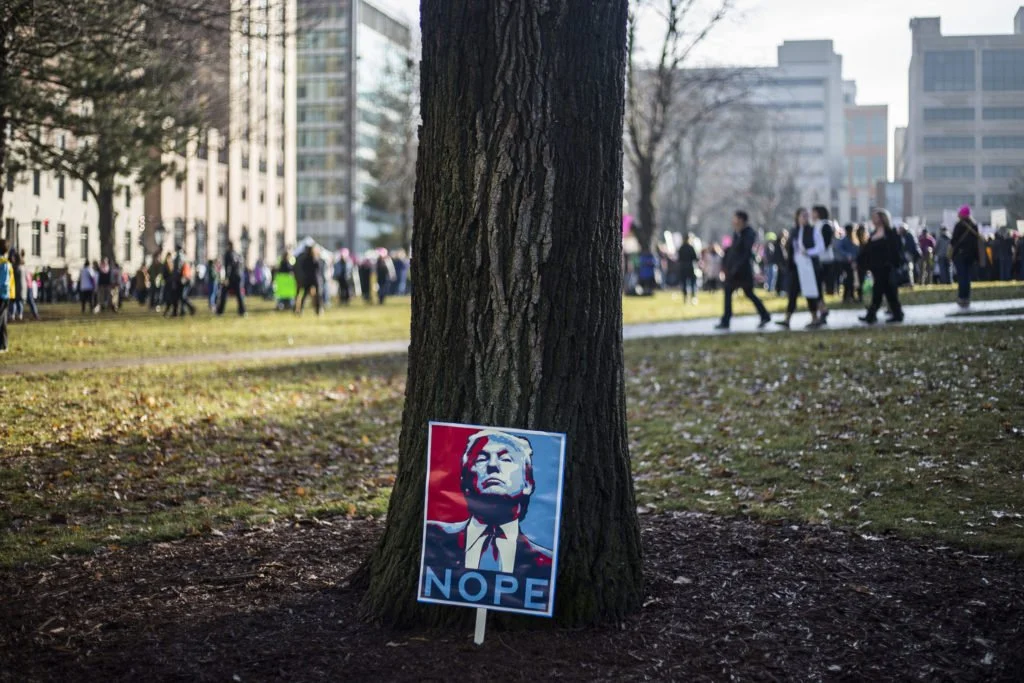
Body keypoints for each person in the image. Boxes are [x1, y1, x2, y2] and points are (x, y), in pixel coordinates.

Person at [423, 429, 553, 578]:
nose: (492, 465)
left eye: (506, 459)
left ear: (528, 483)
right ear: (465, 481)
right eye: (481, 459)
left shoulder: (547, 562)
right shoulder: (431, 537)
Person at [716, 210, 771, 331]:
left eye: (735, 219)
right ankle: (764, 315)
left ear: (741, 220)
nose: (733, 222)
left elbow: (745, 252)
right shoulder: (737, 233)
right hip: (736, 270)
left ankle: (727, 319)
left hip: (742, 271)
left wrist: (736, 267)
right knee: (741, 292)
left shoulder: (748, 233)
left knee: (744, 292)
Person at [776, 208, 824, 330]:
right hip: (796, 266)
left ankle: (815, 317)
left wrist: (808, 252)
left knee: (810, 292)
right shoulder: (794, 231)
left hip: (809, 267)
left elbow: (820, 247)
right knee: (793, 292)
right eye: (803, 216)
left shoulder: (813, 231)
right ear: (797, 217)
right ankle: (787, 319)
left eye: (807, 216)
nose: (805, 218)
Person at [859, 209, 904, 325]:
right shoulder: (873, 233)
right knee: (882, 292)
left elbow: (895, 250)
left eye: (875, 217)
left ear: (882, 218)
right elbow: (867, 251)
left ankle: (873, 316)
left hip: (887, 268)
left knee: (886, 292)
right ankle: (893, 314)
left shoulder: (890, 233)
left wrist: (893, 263)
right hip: (876, 268)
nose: (873, 220)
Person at [950, 205, 983, 309]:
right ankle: (967, 297)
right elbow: (976, 243)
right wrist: (977, 257)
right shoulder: (974, 226)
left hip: (960, 255)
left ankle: (961, 297)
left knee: (961, 277)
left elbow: (953, 241)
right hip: (971, 256)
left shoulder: (959, 225)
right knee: (967, 277)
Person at [216, 241, 247, 316]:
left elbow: (228, 267)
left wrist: (226, 278)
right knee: (239, 295)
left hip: (231, 277)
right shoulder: (238, 254)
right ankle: (242, 311)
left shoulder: (228, 254)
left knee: (223, 294)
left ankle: (220, 311)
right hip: (238, 277)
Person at [836, 225, 860, 304]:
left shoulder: (854, 239)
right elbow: (839, 249)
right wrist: (847, 255)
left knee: (852, 280)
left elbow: (856, 250)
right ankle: (848, 297)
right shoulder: (844, 240)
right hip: (845, 263)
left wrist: (855, 259)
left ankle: (850, 296)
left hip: (852, 262)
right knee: (849, 280)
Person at [296, 244, 323, 315]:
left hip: (308, 279)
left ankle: (301, 310)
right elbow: (319, 269)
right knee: (316, 295)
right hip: (313, 279)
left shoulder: (304, 259)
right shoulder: (315, 259)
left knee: (306, 295)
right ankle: (318, 310)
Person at [0, 239, 13, 352]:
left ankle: (3, 345)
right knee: (3, 321)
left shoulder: (3, 262)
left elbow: (4, 282)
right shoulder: (5, 262)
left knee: (1, 320)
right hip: (5, 295)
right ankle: (4, 345)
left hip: (2, 296)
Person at [678, 234, 699, 304]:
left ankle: (685, 298)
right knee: (692, 283)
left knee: (684, 284)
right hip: (690, 267)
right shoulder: (691, 247)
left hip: (683, 268)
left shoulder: (681, 248)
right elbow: (695, 258)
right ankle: (693, 297)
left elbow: (679, 258)